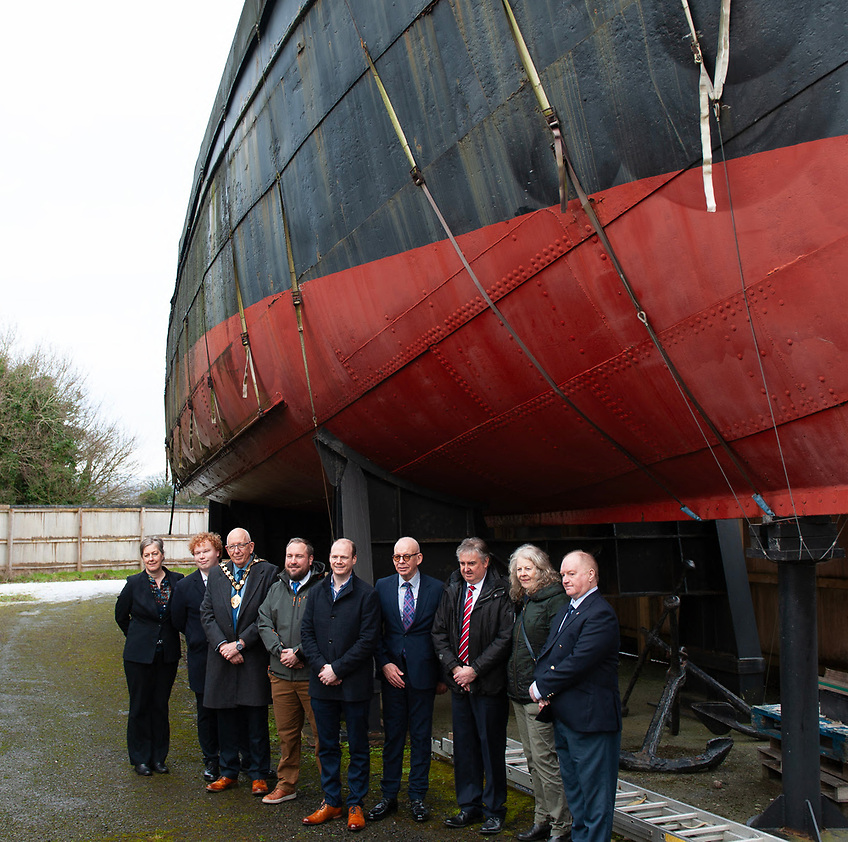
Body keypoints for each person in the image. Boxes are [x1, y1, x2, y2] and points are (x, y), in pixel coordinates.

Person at [530, 551, 622, 842]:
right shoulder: (567, 610)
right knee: (577, 795)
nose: (565, 579)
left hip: (591, 721)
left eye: (572, 573)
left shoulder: (600, 613)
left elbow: (579, 661)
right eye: (563, 574)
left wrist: (541, 687)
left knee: (595, 798)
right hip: (566, 717)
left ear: (591, 575)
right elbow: (550, 653)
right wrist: (547, 690)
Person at [431, 537, 513, 835]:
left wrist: (475, 670)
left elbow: (505, 638)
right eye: (462, 564)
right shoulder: (453, 589)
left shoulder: (501, 591)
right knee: (464, 748)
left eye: (472, 564)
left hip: (488, 685)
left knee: (491, 747)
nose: (466, 569)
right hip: (459, 684)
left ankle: (494, 810)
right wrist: (454, 668)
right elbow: (438, 632)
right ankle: (469, 806)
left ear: (486, 562)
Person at [300, 538, 381, 832]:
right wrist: (323, 667)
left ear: (354, 560)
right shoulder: (317, 592)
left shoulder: (367, 595)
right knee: (327, 746)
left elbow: (367, 640)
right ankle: (332, 800)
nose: (338, 561)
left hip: (354, 684)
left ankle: (356, 803)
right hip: (322, 683)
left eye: (344, 557)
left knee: (359, 746)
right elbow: (306, 633)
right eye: (334, 556)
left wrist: (338, 668)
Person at [367, 536, 444, 824]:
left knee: (422, 737)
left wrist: (441, 676)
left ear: (419, 558)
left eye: (406, 557)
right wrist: (384, 663)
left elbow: (442, 634)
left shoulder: (437, 589)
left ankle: (418, 797)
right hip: (393, 675)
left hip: (424, 675)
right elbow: (375, 631)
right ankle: (389, 795)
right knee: (393, 738)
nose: (401, 561)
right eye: (397, 557)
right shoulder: (383, 586)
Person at [200, 527, 278, 796]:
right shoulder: (217, 574)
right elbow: (206, 613)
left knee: (256, 718)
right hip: (222, 657)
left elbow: (267, 615)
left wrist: (241, 643)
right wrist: (223, 645)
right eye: (231, 547)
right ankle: (228, 771)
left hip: (251, 655)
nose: (236, 551)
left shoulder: (267, 572)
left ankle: (258, 774)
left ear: (251, 546)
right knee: (226, 718)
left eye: (241, 546)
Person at [507, 544, 571, 842]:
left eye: (527, 568)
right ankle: (542, 819)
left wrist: (548, 688)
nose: (522, 574)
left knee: (547, 763)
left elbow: (560, 649)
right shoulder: (525, 600)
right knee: (533, 760)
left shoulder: (554, 601)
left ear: (541, 569)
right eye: (518, 569)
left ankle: (561, 826)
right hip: (520, 693)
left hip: (539, 694)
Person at [257, 537, 325, 805]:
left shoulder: (322, 589)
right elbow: (263, 622)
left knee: (322, 736)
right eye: (289, 556)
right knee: (286, 735)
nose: (293, 561)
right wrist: (280, 652)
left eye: (298, 556)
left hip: (312, 678)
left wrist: (299, 652)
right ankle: (286, 784)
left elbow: (323, 628)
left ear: (310, 560)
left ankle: (329, 790)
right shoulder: (275, 589)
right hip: (281, 676)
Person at [115, 536, 184, 776]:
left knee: (160, 705)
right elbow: (121, 616)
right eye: (147, 555)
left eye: (155, 554)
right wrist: (137, 636)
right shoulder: (133, 583)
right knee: (140, 706)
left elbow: (182, 615)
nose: (151, 558)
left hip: (167, 655)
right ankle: (140, 759)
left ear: (162, 555)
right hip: (138, 656)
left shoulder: (177, 581)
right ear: (142, 558)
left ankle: (158, 757)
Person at [171, 531, 223, 782]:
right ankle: (211, 759)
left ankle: (233, 756)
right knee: (205, 709)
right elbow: (178, 619)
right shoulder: (183, 586)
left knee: (229, 708)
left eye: (206, 551)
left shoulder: (230, 579)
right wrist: (194, 637)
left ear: (218, 553)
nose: (202, 556)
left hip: (227, 654)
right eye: (197, 553)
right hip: (200, 655)